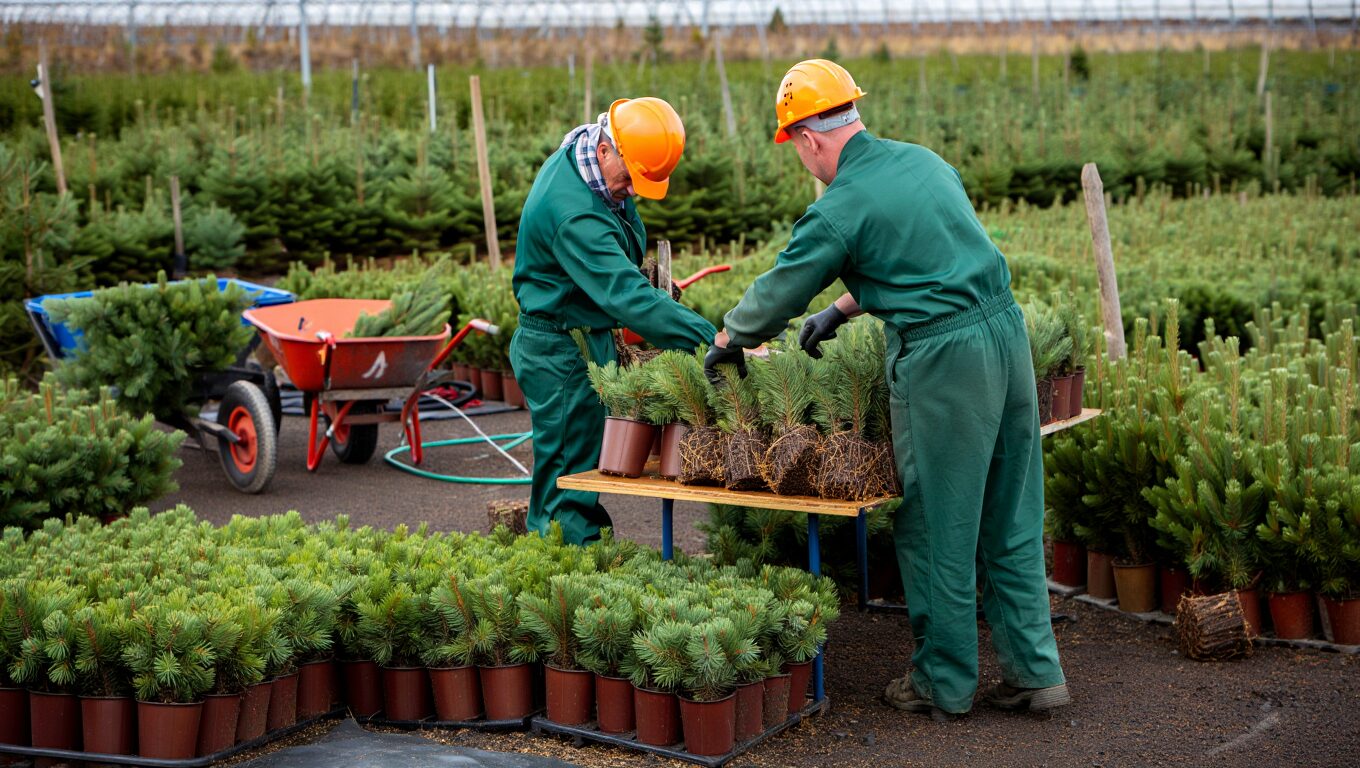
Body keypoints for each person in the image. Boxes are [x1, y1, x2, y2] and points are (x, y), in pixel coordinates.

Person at [703, 60, 1069, 719]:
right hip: (1006, 339)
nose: (802, 161)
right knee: (1010, 514)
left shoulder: (839, 205)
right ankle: (1037, 673)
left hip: (945, 362)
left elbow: (782, 288)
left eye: (796, 149)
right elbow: (920, 252)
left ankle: (943, 682)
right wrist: (841, 312)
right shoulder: (922, 162)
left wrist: (730, 339)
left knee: (937, 525)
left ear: (809, 139)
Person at [511, 98, 716, 546]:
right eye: (630, 179)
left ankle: (579, 544)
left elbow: (617, 265)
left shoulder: (590, 163)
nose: (633, 191)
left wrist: (642, 278)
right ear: (607, 151)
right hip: (561, 351)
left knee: (580, 462)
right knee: (568, 471)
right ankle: (563, 568)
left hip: (584, 335)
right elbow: (624, 297)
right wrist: (712, 340)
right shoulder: (573, 213)